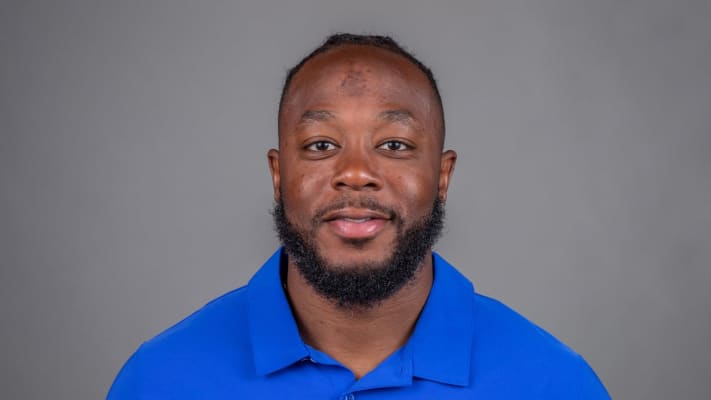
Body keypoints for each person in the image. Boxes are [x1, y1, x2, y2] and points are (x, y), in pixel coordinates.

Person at [108, 33, 610, 399]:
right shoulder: (159, 381)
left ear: (442, 176)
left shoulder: (556, 384)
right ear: (279, 174)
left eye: (394, 145)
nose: (355, 173)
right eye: (321, 145)